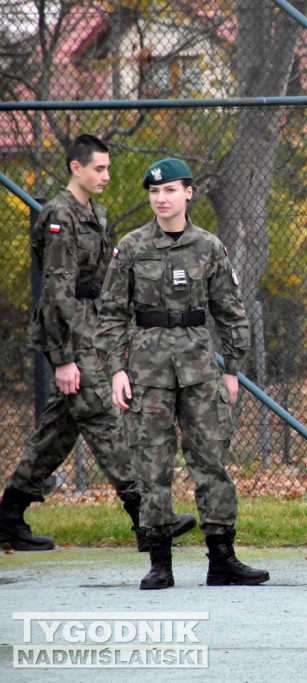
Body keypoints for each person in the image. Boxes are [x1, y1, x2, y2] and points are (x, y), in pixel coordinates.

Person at [0, 135, 194, 553]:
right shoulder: (60, 215)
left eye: (107, 168)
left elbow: (103, 282)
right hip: (73, 337)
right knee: (107, 419)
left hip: (94, 328)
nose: (106, 175)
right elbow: (55, 292)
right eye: (99, 168)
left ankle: (8, 515)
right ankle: (146, 519)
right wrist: (63, 358)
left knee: (58, 430)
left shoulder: (96, 214)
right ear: (76, 168)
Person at [96, 158, 268, 590]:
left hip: (199, 368)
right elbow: (111, 315)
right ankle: (159, 562)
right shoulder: (132, 247)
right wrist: (115, 368)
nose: (161, 199)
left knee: (210, 463)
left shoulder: (209, 247)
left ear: (188, 193)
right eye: (154, 192)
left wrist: (232, 369)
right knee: (151, 464)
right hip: (147, 370)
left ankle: (222, 558)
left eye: (170, 190)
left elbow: (230, 311)